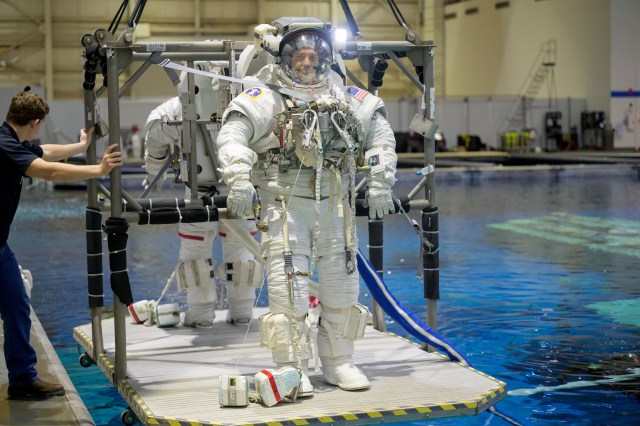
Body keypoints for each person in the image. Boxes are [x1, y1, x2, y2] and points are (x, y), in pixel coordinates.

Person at [216, 17, 398, 395]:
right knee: (288, 288)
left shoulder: (347, 96)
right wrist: (237, 179)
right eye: (299, 57)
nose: (306, 64)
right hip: (285, 206)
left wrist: (380, 183)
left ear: (326, 58)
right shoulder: (265, 96)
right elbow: (233, 135)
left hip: (336, 205)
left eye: (314, 57)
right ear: (286, 60)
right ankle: (291, 367)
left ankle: (338, 361)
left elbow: (381, 136)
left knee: (342, 286)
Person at [0, 89, 122, 399]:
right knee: (15, 306)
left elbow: (43, 151)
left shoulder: (11, 139)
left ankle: (23, 380)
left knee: (16, 306)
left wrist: (80, 146)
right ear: (36, 121)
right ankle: (22, 378)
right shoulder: (4, 146)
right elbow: (49, 171)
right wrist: (98, 170)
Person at [143, 91, 262, 327]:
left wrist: (153, 172)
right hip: (240, 189)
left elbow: (155, 135)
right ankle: (242, 311)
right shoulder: (249, 104)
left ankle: (202, 313)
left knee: (195, 251)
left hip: (198, 194)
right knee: (242, 250)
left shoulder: (178, 108)